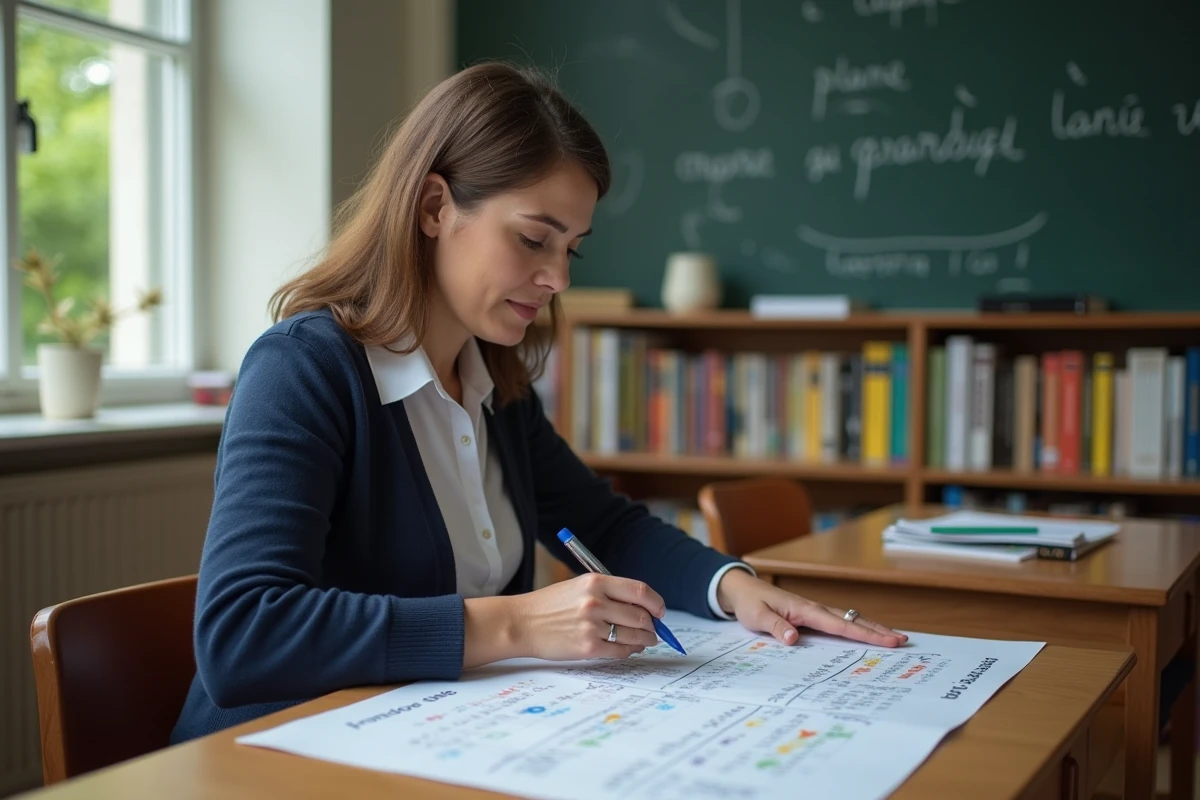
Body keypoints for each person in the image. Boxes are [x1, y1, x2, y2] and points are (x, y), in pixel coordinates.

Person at [169, 61, 907, 744]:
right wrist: (518, 625)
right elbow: (243, 635)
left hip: (434, 740)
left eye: (571, 249)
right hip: (274, 755)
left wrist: (736, 588)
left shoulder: (495, 383)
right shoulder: (303, 370)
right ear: (434, 207)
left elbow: (602, 525)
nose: (558, 278)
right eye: (532, 240)